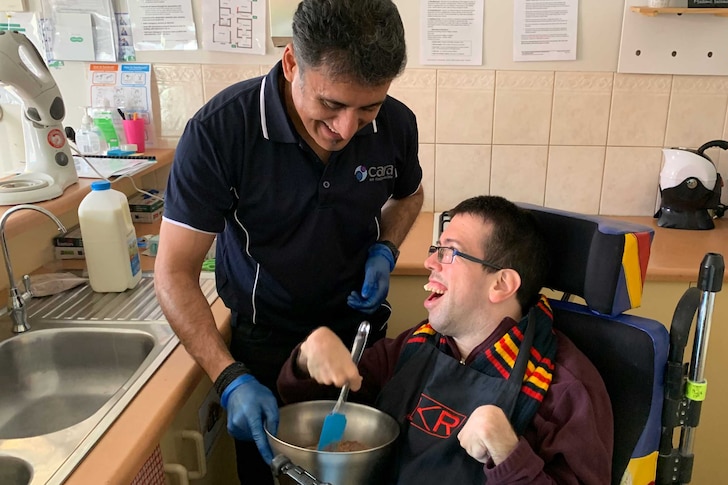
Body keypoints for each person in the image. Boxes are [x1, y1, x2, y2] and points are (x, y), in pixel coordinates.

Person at [153, 0, 423, 482]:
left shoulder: (396, 125)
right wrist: (228, 377)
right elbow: (173, 273)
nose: (345, 129)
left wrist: (386, 247)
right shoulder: (220, 133)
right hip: (266, 348)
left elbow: (409, 196)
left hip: (359, 341)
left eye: (368, 108)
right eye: (332, 104)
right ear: (291, 61)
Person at [277, 196, 613, 484]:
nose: (429, 262)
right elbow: (317, 410)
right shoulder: (417, 343)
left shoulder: (566, 389)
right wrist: (307, 359)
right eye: (435, 249)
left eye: (449, 253)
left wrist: (508, 453)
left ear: (501, 284)